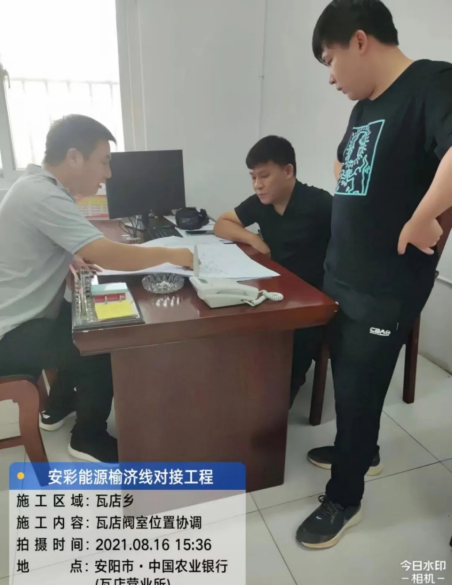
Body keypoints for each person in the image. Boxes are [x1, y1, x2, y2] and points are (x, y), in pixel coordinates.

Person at [296, 0, 452, 549]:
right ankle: (362, 451)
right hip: (344, 271)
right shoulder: (365, 106)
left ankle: (345, 497)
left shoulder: (432, 83)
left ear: (359, 41)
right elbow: (345, 161)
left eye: (330, 60)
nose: (330, 77)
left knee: (360, 387)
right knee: (349, 376)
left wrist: (426, 213)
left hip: (387, 281)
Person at [0, 115, 193, 464]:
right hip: (11, 336)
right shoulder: (43, 195)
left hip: (19, 319)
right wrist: (172, 254)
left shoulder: (37, 187)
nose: (108, 174)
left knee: (78, 319)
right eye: (104, 161)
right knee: (101, 340)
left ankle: (58, 406)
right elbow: (106, 253)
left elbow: (50, 244)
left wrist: (72, 257)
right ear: (74, 157)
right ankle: (88, 438)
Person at [214, 136, 332, 404]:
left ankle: (278, 402)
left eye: (264, 176)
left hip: (310, 297)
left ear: (288, 171)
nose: (258, 184)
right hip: (274, 288)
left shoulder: (319, 203)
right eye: (253, 177)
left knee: (293, 348)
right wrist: (253, 238)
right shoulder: (261, 202)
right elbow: (222, 223)